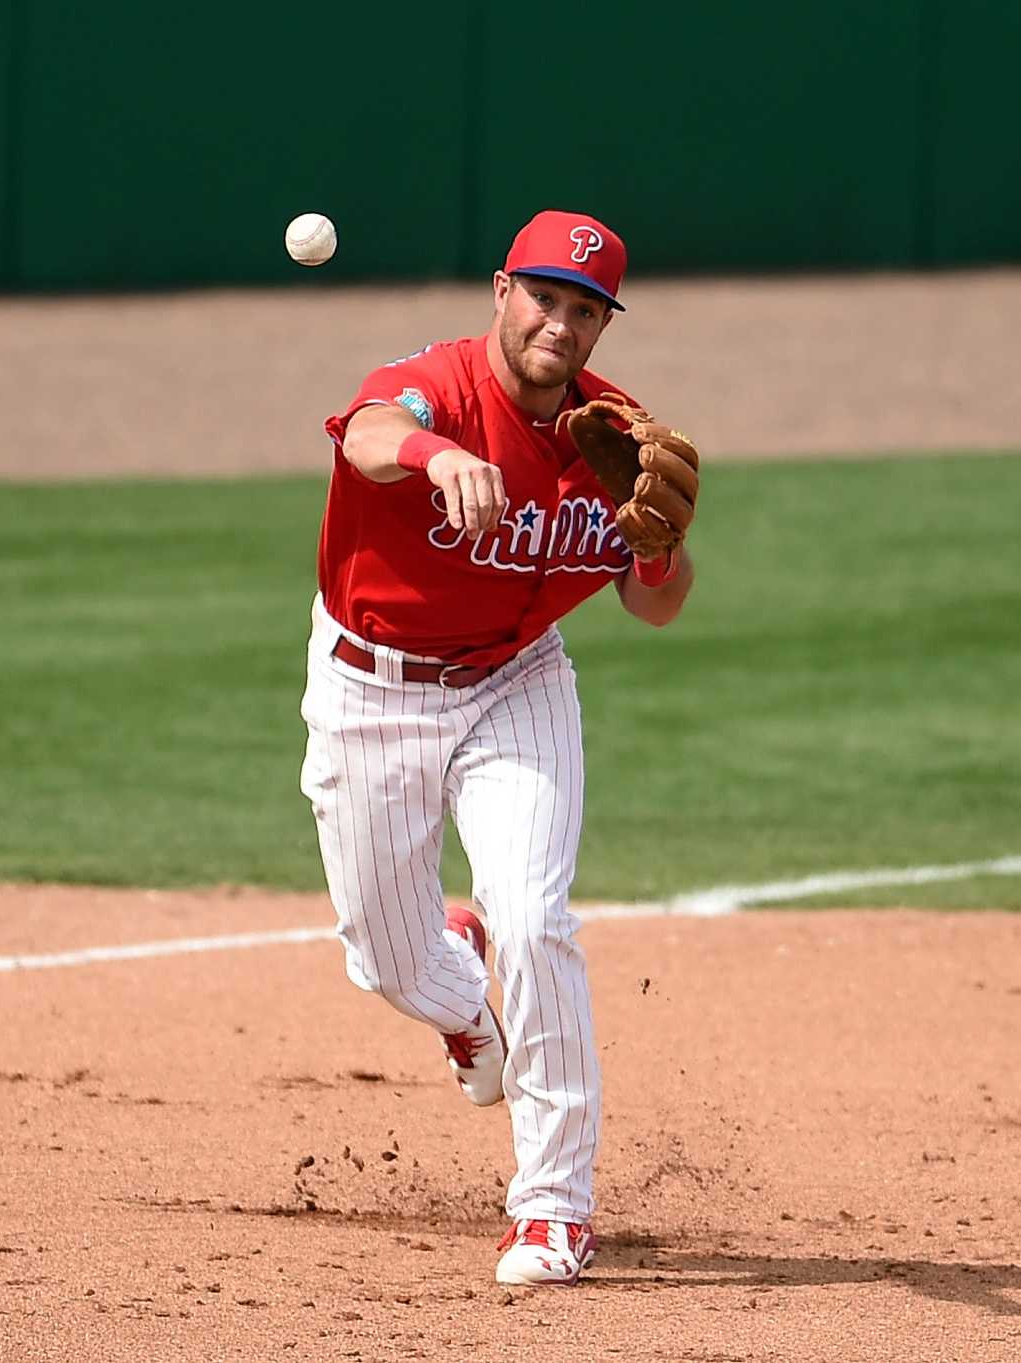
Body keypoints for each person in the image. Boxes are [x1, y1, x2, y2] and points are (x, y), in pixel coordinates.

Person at [299, 209, 697, 1286]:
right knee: (384, 955)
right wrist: (434, 458)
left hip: (515, 684)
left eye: (584, 311)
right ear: (499, 291)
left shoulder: (615, 434)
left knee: (534, 915)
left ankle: (555, 1206)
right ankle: (456, 990)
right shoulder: (435, 384)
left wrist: (657, 551)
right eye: (543, 299)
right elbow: (370, 428)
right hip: (367, 690)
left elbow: (655, 605)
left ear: (601, 325)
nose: (559, 326)